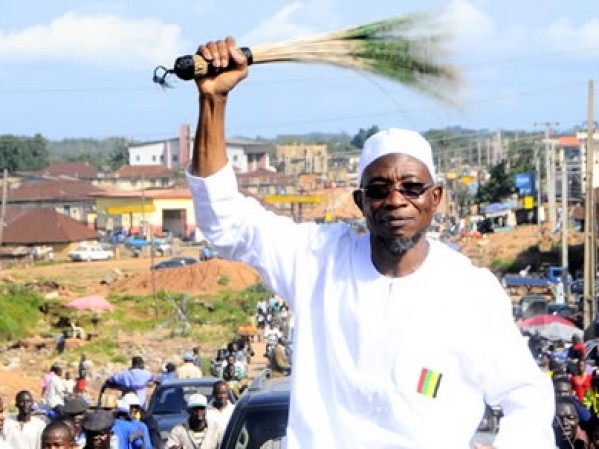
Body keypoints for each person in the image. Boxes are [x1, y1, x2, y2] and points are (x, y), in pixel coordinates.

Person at [184, 37, 555, 448]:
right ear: (361, 202)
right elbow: (223, 220)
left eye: (412, 187)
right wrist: (213, 103)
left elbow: (527, 395)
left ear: (436, 198)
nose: (396, 200)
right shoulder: (318, 260)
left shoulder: (469, 291)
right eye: (379, 189)